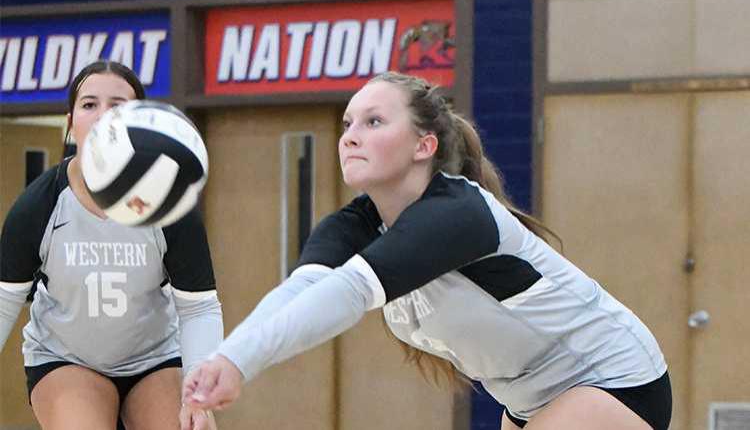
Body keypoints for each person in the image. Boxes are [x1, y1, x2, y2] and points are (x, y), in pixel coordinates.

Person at [181, 72, 671, 430]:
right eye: (349, 122)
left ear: (423, 145)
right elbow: (302, 291)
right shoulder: (354, 225)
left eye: (374, 121)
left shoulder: (457, 214)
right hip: (527, 401)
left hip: (611, 376)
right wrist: (224, 360)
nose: (351, 134)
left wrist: (239, 365)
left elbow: (349, 293)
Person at [0, 60, 222, 430]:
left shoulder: (169, 204)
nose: (103, 116)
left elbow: (199, 309)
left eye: (118, 106)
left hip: (155, 359)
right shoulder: (39, 205)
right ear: (71, 122)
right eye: (89, 104)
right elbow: (5, 301)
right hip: (66, 358)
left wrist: (199, 399)